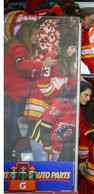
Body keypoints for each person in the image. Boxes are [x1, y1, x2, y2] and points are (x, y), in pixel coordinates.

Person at [4, 20, 58, 160]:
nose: (37, 37)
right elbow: (21, 64)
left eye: (38, 34)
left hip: (13, 97)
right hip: (10, 96)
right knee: (9, 135)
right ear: (27, 34)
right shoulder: (19, 47)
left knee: (12, 134)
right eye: (34, 34)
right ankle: (5, 164)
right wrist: (42, 64)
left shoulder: (17, 46)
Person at [24, 30, 78, 134]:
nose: (74, 51)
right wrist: (58, 91)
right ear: (65, 47)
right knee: (34, 135)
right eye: (72, 48)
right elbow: (43, 84)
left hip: (49, 101)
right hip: (39, 101)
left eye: (75, 48)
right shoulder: (52, 57)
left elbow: (71, 80)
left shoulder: (66, 61)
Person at [29, 84, 77, 161]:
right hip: (41, 141)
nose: (88, 98)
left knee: (51, 171)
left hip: (56, 146)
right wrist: (46, 144)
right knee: (42, 171)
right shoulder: (61, 103)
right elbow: (45, 124)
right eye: (86, 95)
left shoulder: (78, 109)